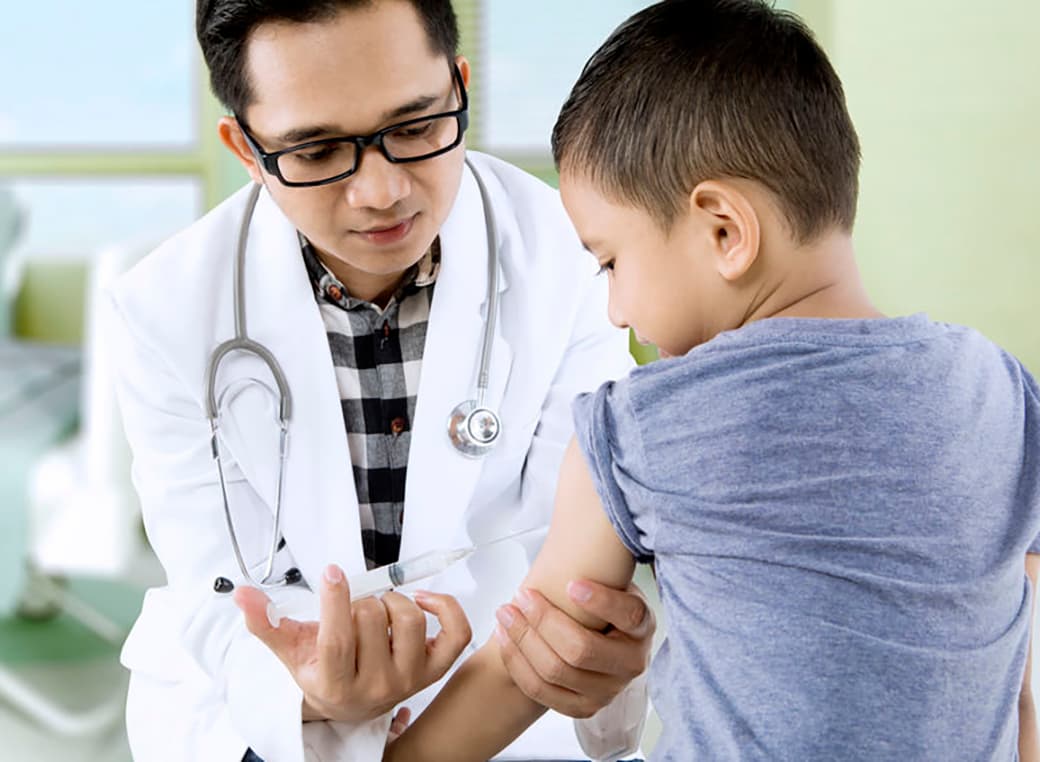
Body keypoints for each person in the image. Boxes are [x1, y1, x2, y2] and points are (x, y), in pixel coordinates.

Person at [383, 0, 1040, 759]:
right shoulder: (1001, 393)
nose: (617, 309)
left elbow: (525, 667)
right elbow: (1016, 676)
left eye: (611, 262)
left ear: (724, 231)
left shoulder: (639, 427)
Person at [105, 1, 659, 760]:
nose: (381, 192)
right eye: (317, 150)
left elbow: (575, 566)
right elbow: (214, 590)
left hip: (508, 703)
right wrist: (309, 690)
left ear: (459, 88)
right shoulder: (163, 310)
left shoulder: (573, 256)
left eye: (415, 128)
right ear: (245, 148)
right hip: (261, 714)